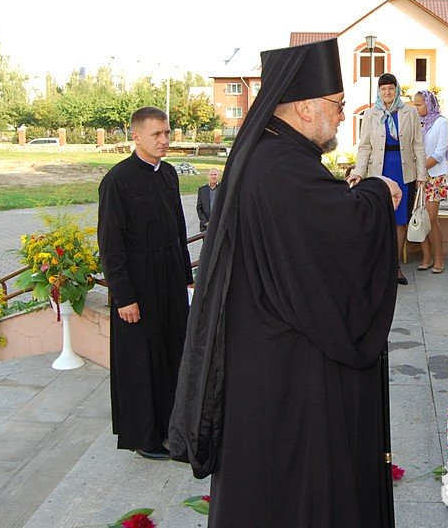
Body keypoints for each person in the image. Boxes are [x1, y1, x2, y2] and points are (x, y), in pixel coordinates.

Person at [170, 39, 402, 527]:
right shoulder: (280, 166)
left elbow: (309, 227)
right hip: (287, 365)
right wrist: (379, 195)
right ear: (303, 106)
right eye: (337, 106)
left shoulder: (272, 155)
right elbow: (334, 237)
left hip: (264, 349)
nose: (342, 117)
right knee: (298, 483)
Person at [97, 106, 193, 461]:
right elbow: (110, 244)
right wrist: (123, 297)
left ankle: (171, 426)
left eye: (167, 133)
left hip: (169, 282)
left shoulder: (168, 174)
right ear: (135, 136)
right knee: (141, 363)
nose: (165, 140)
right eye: (157, 134)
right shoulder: (117, 181)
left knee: (171, 354)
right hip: (137, 288)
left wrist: (187, 279)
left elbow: (179, 232)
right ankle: (143, 437)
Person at [348, 73, 427, 285]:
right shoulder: (370, 114)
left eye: (391, 88)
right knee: (380, 219)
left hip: (403, 171)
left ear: (397, 89)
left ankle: (395, 268)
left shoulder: (409, 111)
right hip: (379, 171)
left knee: (400, 220)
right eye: (383, 89)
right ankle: (377, 267)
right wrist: (358, 171)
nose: (387, 92)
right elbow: (364, 146)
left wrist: (421, 175)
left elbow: (418, 144)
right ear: (379, 91)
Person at [414, 89, 448, 273]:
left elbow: (439, 152)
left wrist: (421, 170)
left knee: (431, 218)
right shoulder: (417, 123)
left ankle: (439, 259)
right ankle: (426, 257)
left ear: (429, 104)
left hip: (434, 176)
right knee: (419, 217)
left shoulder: (441, 122)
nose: (416, 107)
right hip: (418, 178)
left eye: (419, 104)